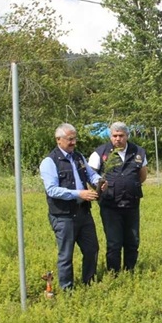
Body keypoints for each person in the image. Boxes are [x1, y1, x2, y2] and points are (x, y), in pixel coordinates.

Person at [40, 123, 104, 290]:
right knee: (66, 255)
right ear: (58, 140)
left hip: (83, 212)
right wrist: (79, 193)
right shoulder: (49, 162)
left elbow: (91, 174)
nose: (74, 142)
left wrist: (98, 181)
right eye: (70, 139)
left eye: (75, 138)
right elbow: (52, 190)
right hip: (63, 216)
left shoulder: (78, 157)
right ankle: (67, 289)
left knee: (92, 249)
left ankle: (88, 283)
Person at [88, 122, 148, 273]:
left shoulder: (138, 152)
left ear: (127, 136)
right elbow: (89, 176)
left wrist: (129, 186)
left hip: (131, 204)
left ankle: (130, 271)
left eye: (121, 135)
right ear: (110, 136)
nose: (118, 139)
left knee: (132, 241)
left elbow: (142, 175)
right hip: (110, 206)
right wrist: (98, 189)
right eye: (115, 136)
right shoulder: (99, 153)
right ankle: (113, 274)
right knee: (114, 243)